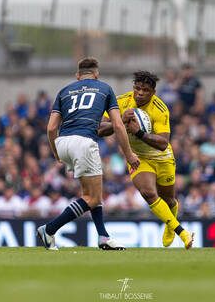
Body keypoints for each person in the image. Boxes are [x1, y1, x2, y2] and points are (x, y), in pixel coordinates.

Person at [37, 57, 140, 250]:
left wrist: (56, 152)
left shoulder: (64, 91)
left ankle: (103, 237)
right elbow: (117, 125)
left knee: (92, 194)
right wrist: (129, 154)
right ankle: (49, 229)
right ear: (97, 74)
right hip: (84, 142)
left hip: (63, 142)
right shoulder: (105, 89)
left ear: (77, 76)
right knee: (92, 198)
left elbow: (51, 128)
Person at [99, 71, 194, 249]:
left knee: (170, 201)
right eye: (137, 88)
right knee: (148, 193)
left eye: (145, 90)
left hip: (162, 158)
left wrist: (138, 132)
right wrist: (117, 122)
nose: (140, 93)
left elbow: (163, 143)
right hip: (137, 156)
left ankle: (169, 224)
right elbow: (99, 129)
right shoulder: (120, 102)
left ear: (153, 92)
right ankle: (183, 232)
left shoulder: (160, 108)